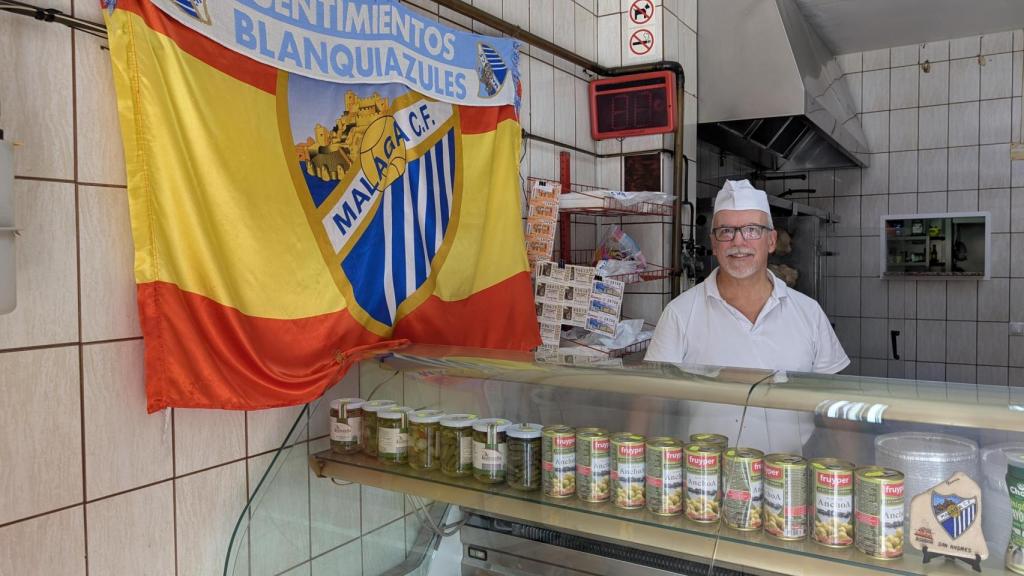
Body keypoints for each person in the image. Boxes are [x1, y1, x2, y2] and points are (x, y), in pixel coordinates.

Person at [644, 179, 849, 452]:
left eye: (752, 230)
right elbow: (648, 402)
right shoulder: (680, 314)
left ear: (772, 240)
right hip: (704, 478)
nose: (738, 242)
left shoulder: (809, 313)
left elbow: (836, 409)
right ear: (714, 244)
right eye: (726, 231)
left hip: (787, 478)